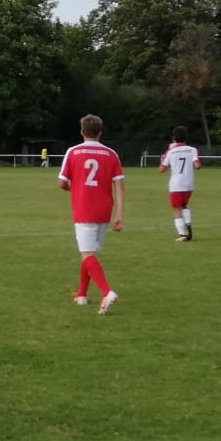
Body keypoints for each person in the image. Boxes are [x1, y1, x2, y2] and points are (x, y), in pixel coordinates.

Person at [58, 114, 125, 314]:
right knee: (88, 252)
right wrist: (119, 214)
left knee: (87, 254)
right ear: (100, 133)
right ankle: (81, 295)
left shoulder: (73, 151)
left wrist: (76, 188)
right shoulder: (111, 154)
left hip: (84, 208)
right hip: (104, 209)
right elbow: (119, 186)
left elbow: (61, 183)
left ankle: (107, 292)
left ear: (82, 132)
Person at [159, 126, 201, 242]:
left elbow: (161, 169)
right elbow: (197, 166)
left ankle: (182, 234)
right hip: (189, 184)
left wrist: (164, 157)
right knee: (184, 205)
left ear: (174, 138)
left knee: (177, 208)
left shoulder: (171, 151)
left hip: (176, 184)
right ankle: (188, 228)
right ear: (186, 137)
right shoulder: (192, 150)